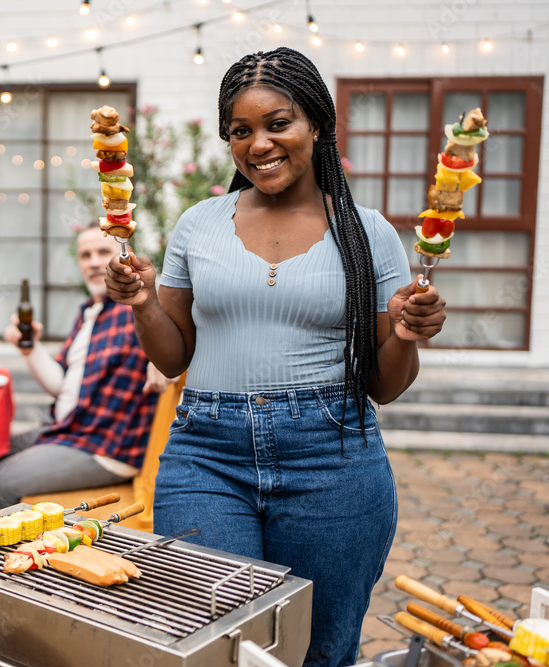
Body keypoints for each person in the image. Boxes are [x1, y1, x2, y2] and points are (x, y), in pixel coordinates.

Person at [105, 48, 447, 667]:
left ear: (316, 123)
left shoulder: (367, 233)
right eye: (240, 131)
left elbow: (384, 385)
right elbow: (173, 356)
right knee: (216, 647)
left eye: (277, 123)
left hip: (332, 459)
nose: (258, 143)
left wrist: (402, 335)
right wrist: (142, 303)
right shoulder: (197, 225)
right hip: (208, 455)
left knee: (321, 649)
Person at [0, 222, 169, 509]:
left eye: (103, 252)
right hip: (69, 428)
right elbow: (61, 385)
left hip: (106, 446)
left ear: (127, 256)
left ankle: (26, 553)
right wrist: (30, 349)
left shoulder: (140, 304)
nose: (93, 262)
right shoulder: (89, 311)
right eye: (85, 255)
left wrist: (162, 357)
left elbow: (182, 307)